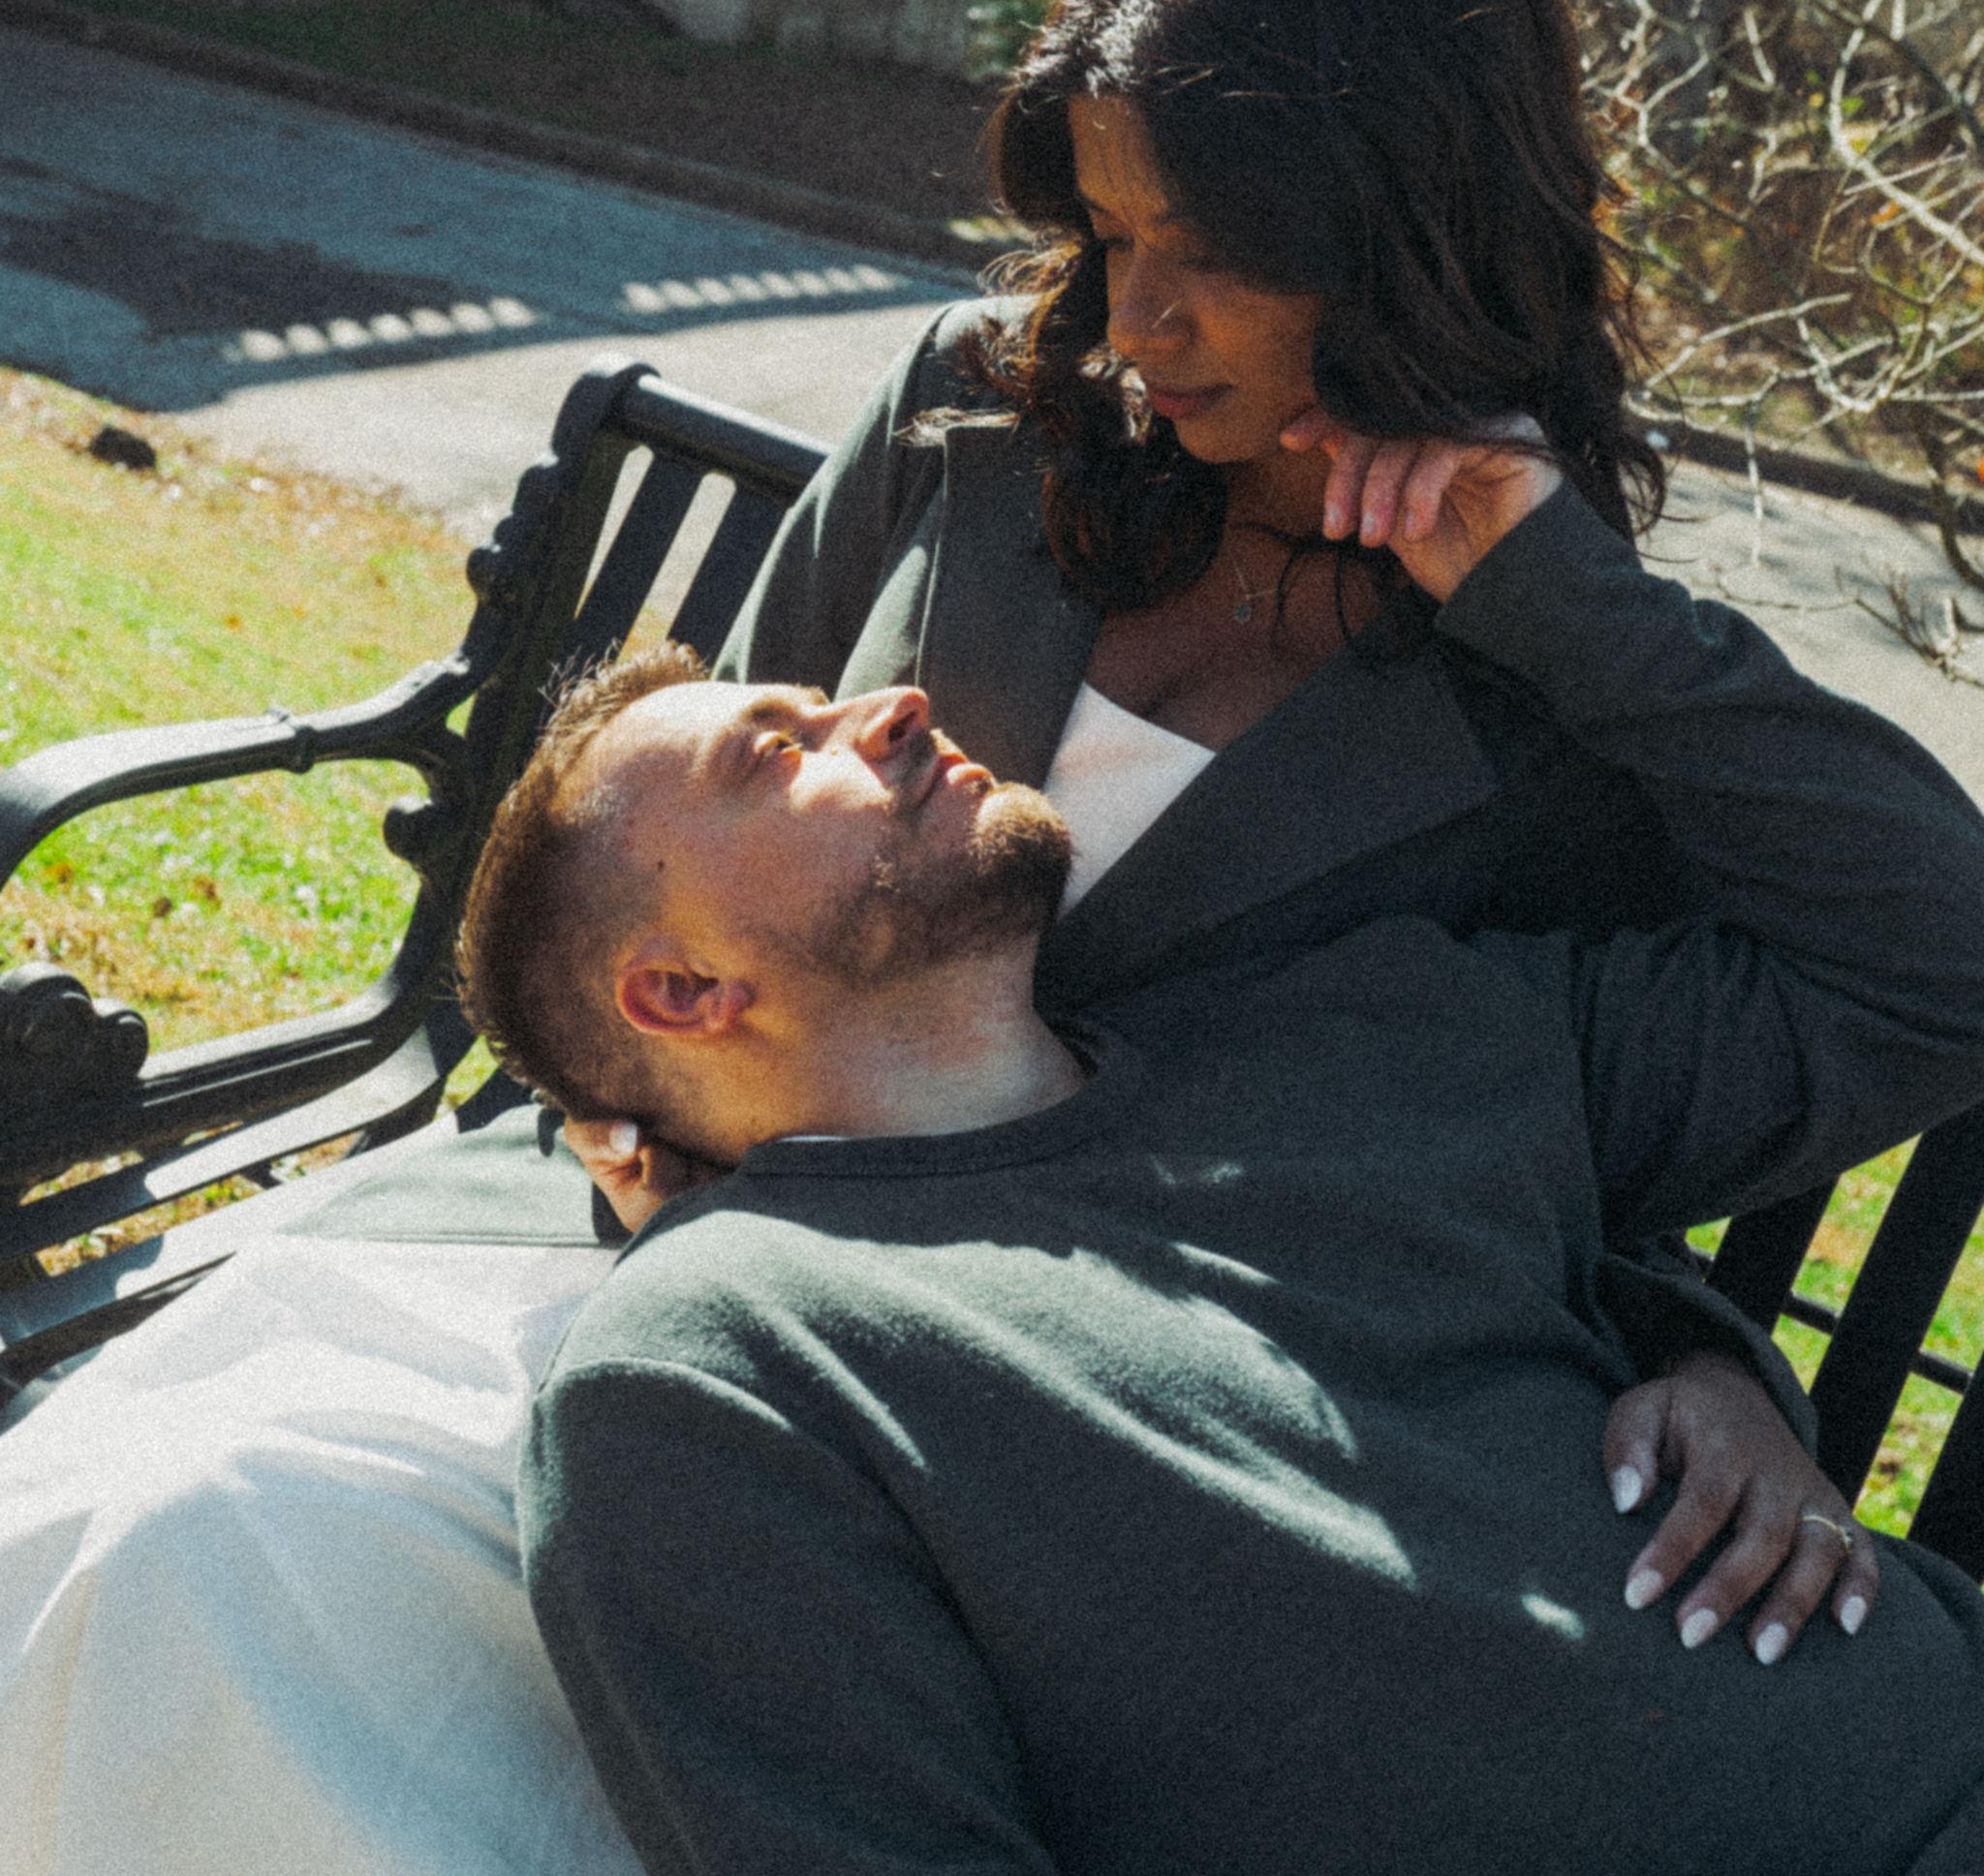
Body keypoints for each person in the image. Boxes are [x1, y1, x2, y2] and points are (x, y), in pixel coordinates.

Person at [566, 0, 1879, 1654]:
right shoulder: (972, 415)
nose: (1137, 319)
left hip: (1075, 1498)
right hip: (696, 1338)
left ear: (1415, 225)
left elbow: (1512, 1119)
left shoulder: (1556, 696)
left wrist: (1707, 1362)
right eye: (1110, 230)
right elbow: (656, 846)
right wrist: (624, 1123)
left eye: (1215, 250)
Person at [464, 432, 1984, 1873]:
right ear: (683, 992)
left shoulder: (1380, 1019)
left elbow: (1944, 960)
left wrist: (1561, 587)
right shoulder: (722, 1366)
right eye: (776, 753)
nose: (897, 703)